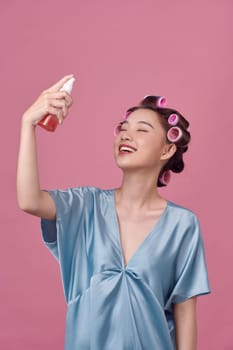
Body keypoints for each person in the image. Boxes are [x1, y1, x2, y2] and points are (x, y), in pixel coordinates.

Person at [17, 75, 211, 350]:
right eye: (123, 127)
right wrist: (28, 124)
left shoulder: (182, 225)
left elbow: (185, 315)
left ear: (167, 149)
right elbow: (29, 200)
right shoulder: (85, 206)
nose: (126, 134)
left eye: (142, 130)